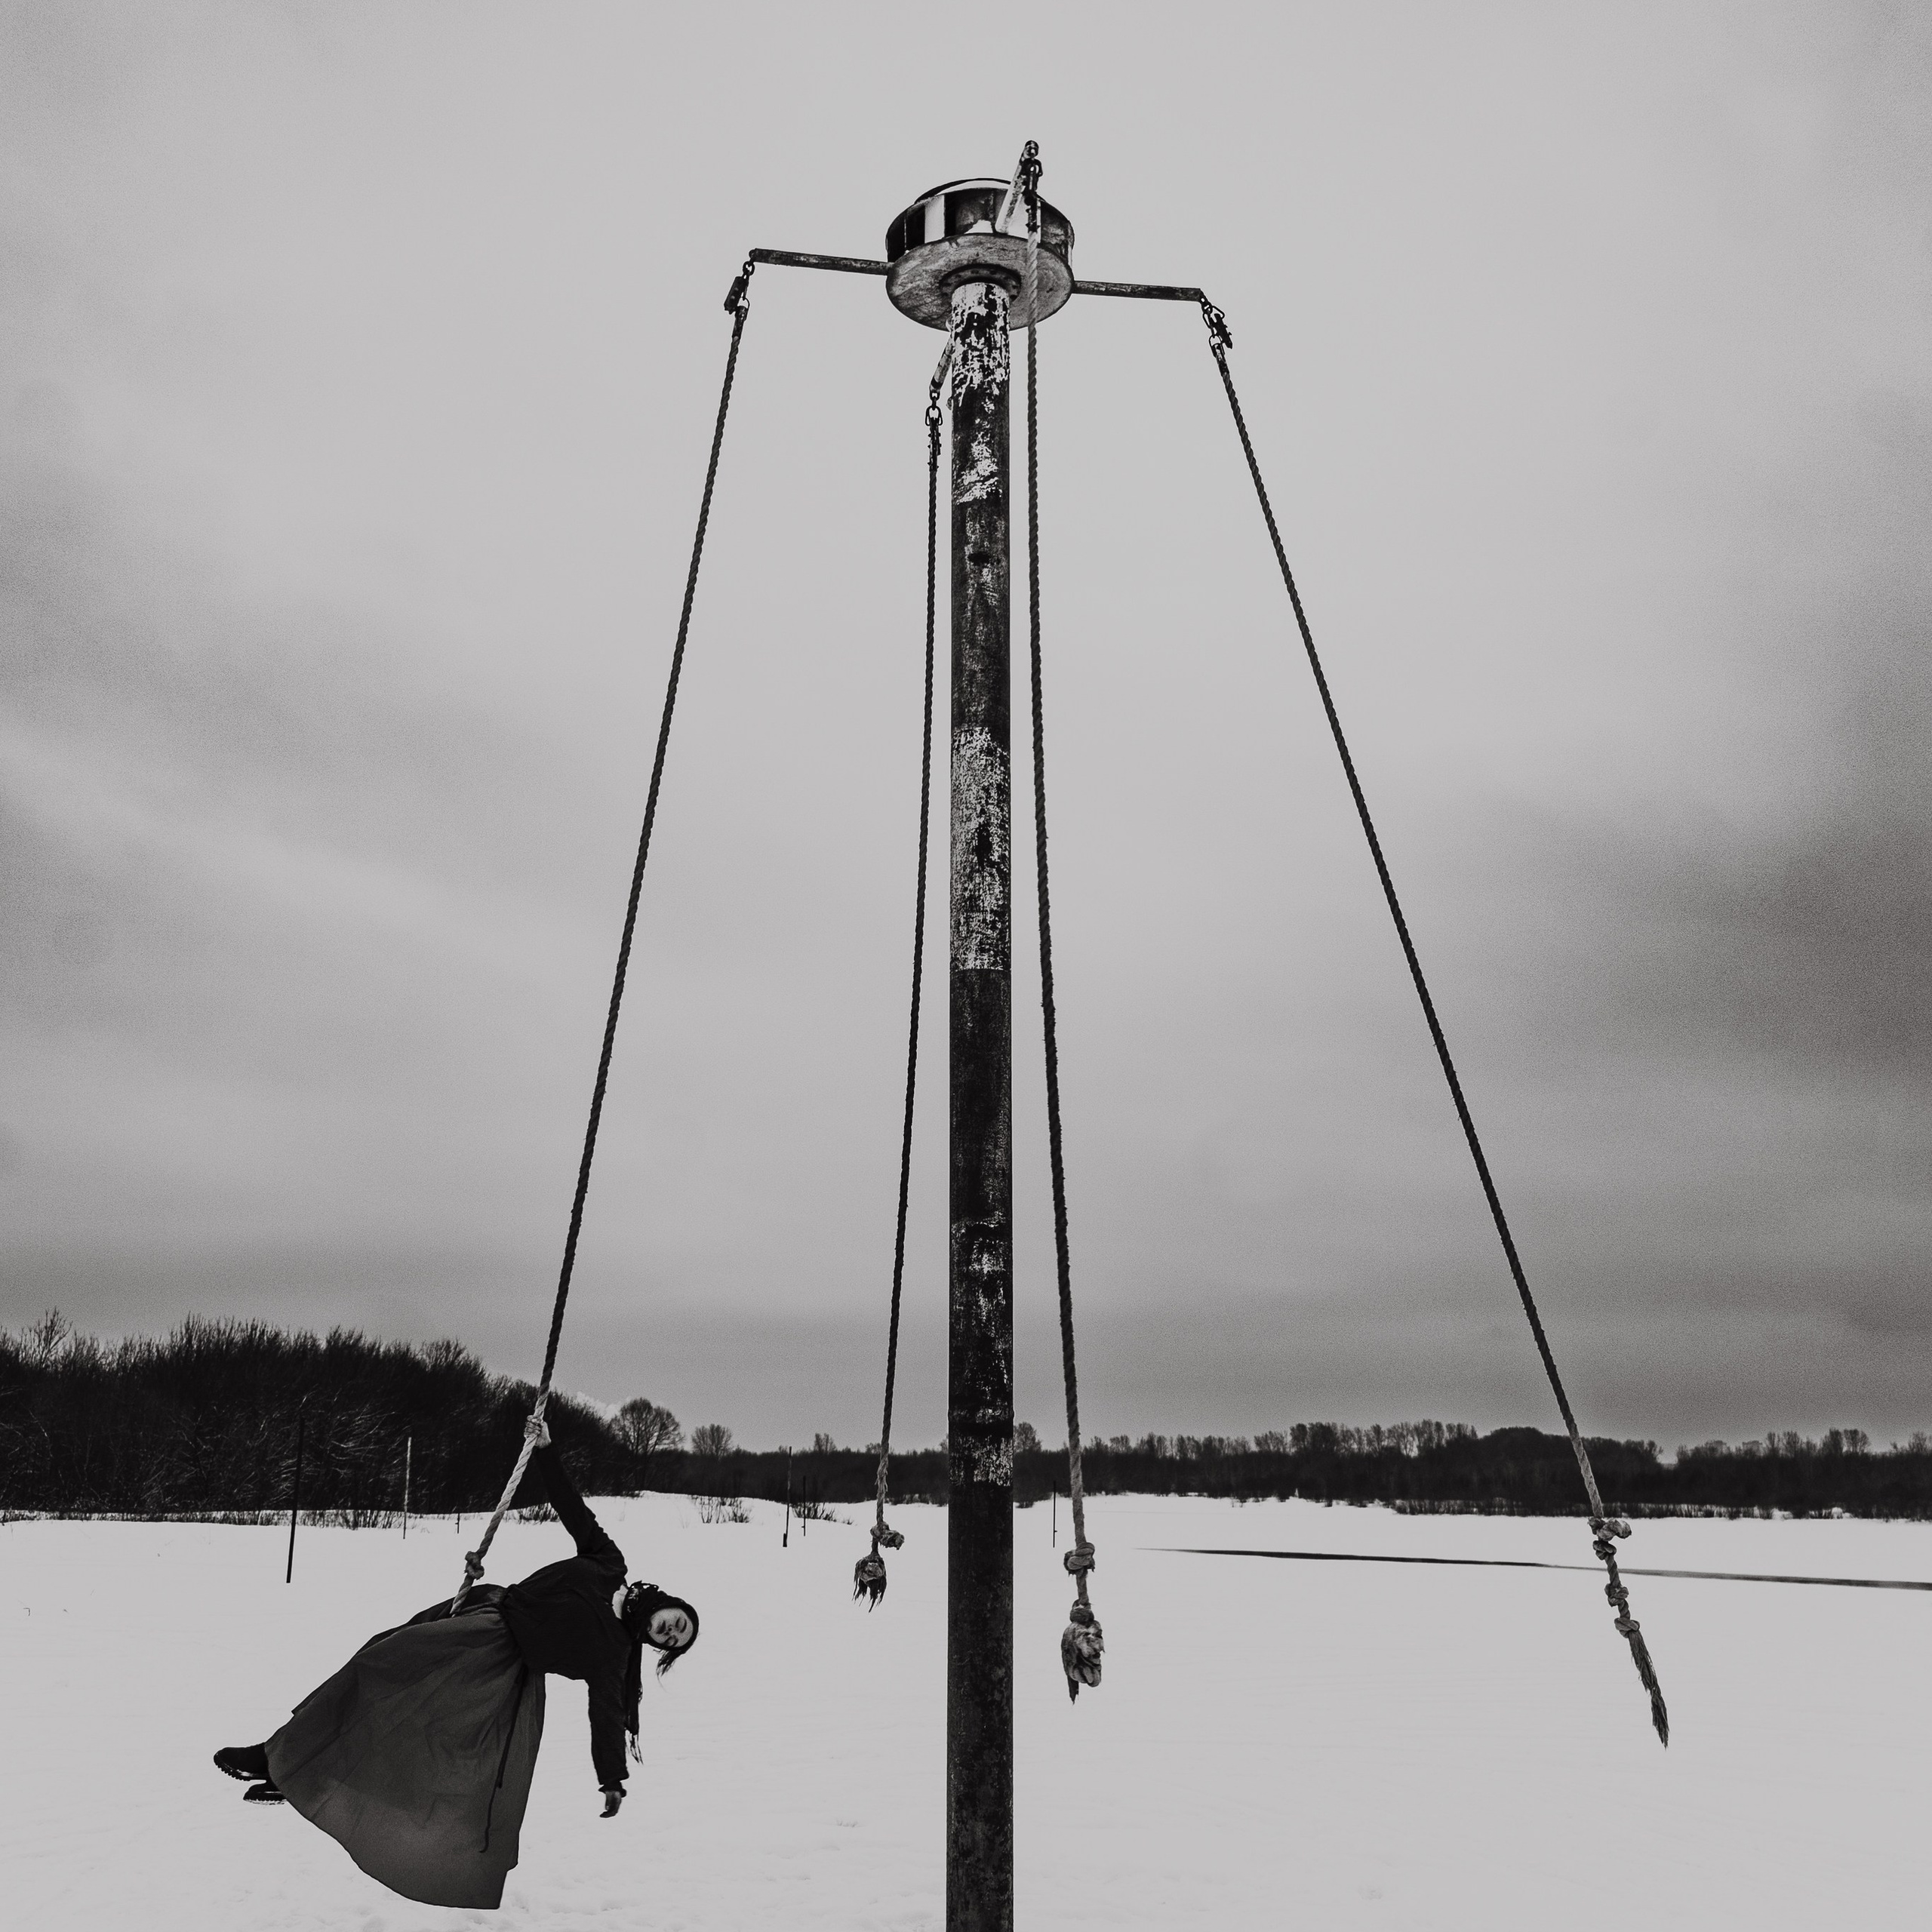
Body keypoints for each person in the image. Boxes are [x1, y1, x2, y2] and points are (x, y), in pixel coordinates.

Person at [212, 1417, 698, 1910]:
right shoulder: (609, 1563)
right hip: (485, 1619)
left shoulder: (615, 1653)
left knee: (424, 1736)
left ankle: (302, 1776)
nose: (671, 1633)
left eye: (673, 1641)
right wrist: (547, 1450)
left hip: (502, 1679)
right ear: (671, 1605)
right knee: (378, 1663)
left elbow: (608, 1714)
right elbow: (570, 1505)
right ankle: (282, 1754)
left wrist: (612, 1778)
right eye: (679, 1623)